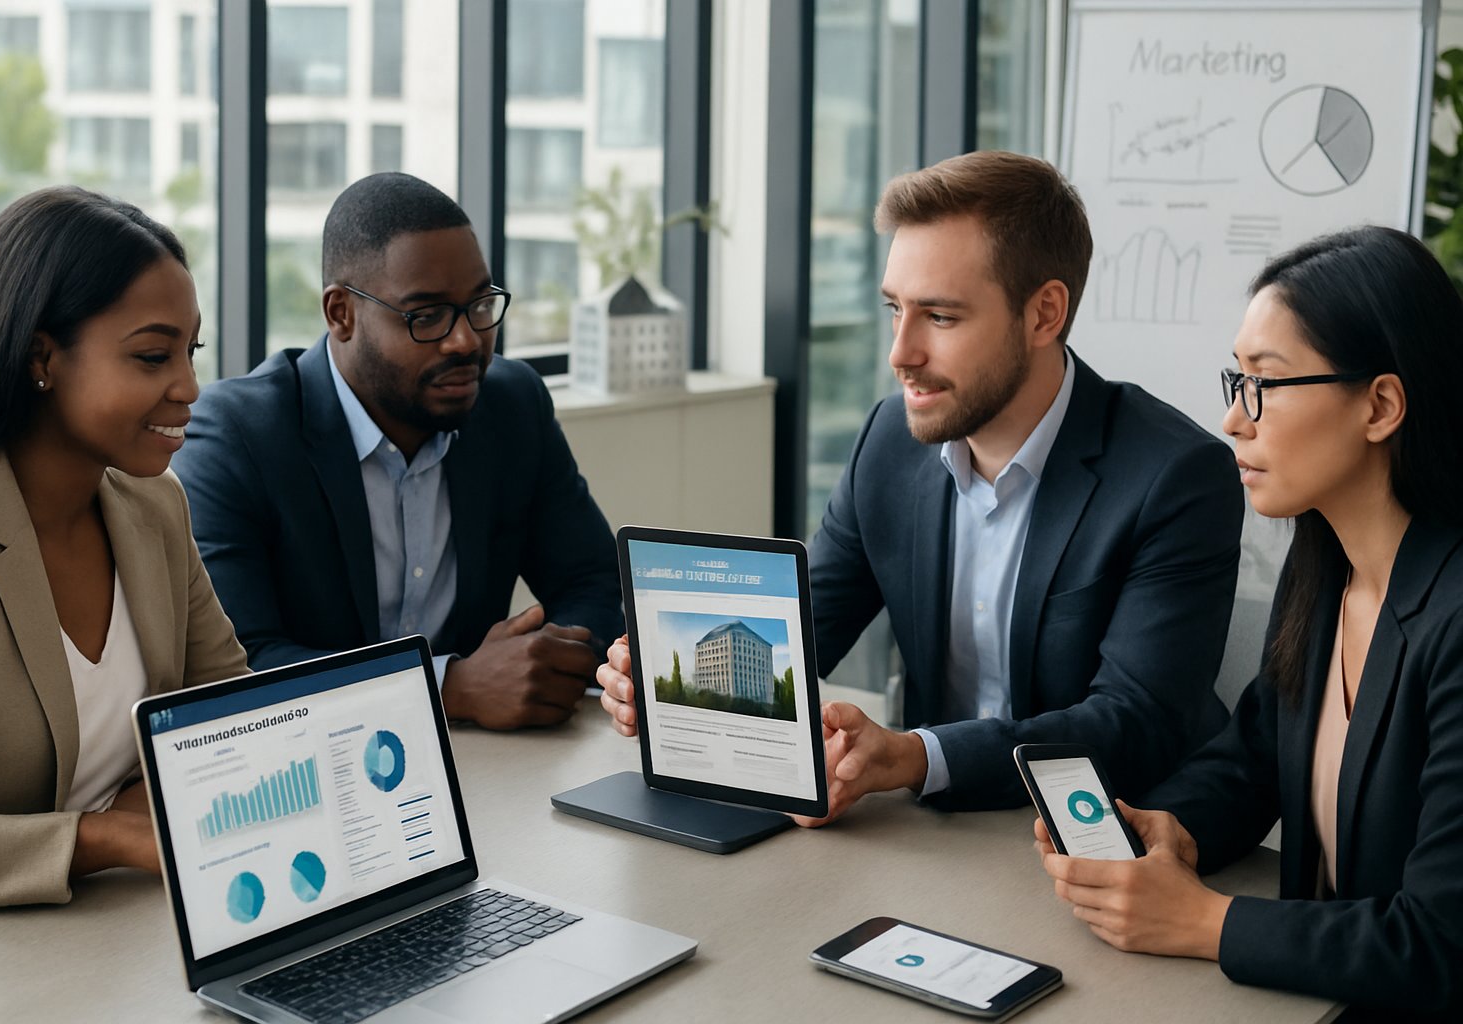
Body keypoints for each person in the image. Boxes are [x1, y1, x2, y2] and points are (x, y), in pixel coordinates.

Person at [599, 151, 1243, 821]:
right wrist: (666, 681)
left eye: (939, 317)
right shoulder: (890, 440)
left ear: (1045, 314)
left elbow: (1135, 724)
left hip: (1111, 837)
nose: (900, 353)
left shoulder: (1174, 476)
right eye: (894, 310)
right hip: (937, 833)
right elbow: (803, 629)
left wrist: (913, 757)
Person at [1037, 226, 1463, 1018]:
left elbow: (1440, 940)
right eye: (1236, 379)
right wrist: (1173, 831)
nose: (1235, 419)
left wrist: (1203, 920)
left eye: (1264, 384)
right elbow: (1253, 761)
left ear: (1380, 405)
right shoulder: (1323, 567)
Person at [172, 173, 619, 731]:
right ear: (341, 314)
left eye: (479, 305)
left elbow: (593, 585)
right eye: (425, 316)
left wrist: (551, 660)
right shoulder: (236, 436)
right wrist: (447, 686)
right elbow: (243, 669)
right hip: (315, 776)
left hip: (489, 758)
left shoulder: (511, 406)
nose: (465, 341)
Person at [0, 187, 249, 912]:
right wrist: (105, 838)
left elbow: (231, 715)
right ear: (42, 356)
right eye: (152, 356)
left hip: (133, 920)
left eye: (191, 352)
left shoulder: (153, 505)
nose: (190, 386)